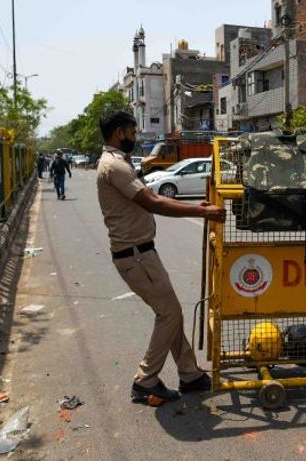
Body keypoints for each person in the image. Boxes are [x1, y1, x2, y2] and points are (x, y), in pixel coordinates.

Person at [95, 111, 226, 404]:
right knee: (169, 313)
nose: (135, 136)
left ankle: (190, 374)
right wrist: (200, 211)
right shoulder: (115, 166)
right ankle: (145, 380)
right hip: (136, 256)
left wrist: (195, 207)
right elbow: (152, 202)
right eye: (131, 131)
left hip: (140, 253)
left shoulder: (117, 162)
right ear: (119, 132)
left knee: (171, 312)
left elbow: (153, 198)